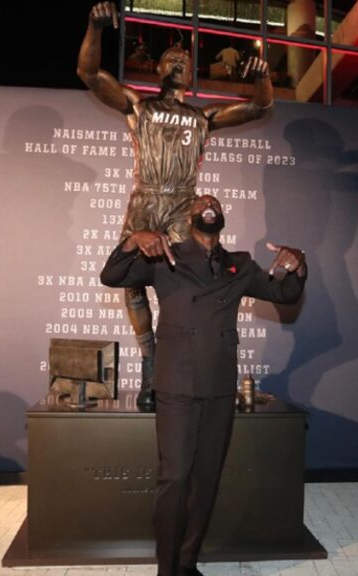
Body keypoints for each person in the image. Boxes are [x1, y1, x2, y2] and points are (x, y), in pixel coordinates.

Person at [77, 1, 274, 410]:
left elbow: (260, 107)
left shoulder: (203, 117)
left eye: (185, 57)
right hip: (147, 199)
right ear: (159, 69)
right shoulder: (139, 106)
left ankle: (178, 368)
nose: (179, 60)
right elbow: (90, 74)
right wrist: (95, 30)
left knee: (185, 286)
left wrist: (263, 78)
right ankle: (151, 366)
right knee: (132, 284)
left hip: (183, 204)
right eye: (171, 57)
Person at [100, 195, 306, 576]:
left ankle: (187, 561)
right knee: (175, 477)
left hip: (219, 386)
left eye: (214, 202)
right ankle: (167, 568)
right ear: (190, 218)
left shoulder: (239, 265)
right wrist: (132, 240)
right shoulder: (165, 257)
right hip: (177, 383)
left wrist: (297, 266)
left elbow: (284, 294)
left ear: (221, 218)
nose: (208, 204)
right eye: (200, 203)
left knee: (207, 478)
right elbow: (110, 276)